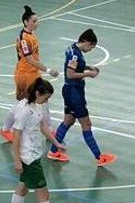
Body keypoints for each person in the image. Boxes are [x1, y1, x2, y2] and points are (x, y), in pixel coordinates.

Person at [3, 78, 76, 203]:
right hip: (28, 157)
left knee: (22, 189)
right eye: (46, 97)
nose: (47, 100)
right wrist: (17, 160)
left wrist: (56, 143)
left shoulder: (38, 106)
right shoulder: (23, 110)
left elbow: (43, 127)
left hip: (35, 153)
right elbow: (16, 136)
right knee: (43, 193)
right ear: (37, 93)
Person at [46, 29, 116, 166]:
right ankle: (99, 157)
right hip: (74, 93)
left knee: (68, 121)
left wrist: (88, 66)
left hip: (69, 91)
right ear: (86, 42)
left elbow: (74, 66)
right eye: (91, 47)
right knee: (86, 124)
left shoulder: (72, 49)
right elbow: (70, 74)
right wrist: (88, 74)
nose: (90, 50)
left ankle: (53, 151)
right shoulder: (75, 56)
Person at [0, 6, 58, 142]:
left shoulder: (31, 34)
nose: (37, 23)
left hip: (33, 73)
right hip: (25, 75)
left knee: (44, 100)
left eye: (37, 20)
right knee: (22, 103)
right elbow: (30, 59)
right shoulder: (24, 38)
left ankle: (49, 129)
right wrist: (48, 70)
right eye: (34, 21)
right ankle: (5, 129)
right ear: (26, 22)